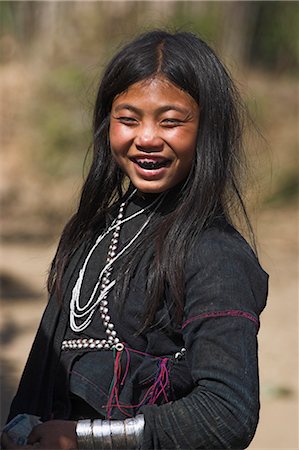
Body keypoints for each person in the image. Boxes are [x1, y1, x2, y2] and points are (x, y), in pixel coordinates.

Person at [2, 30, 268, 450]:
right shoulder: (89, 231)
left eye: (170, 121)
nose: (146, 138)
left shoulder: (215, 254)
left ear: (207, 129)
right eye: (128, 119)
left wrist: (84, 438)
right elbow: (39, 376)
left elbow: (227, 412)